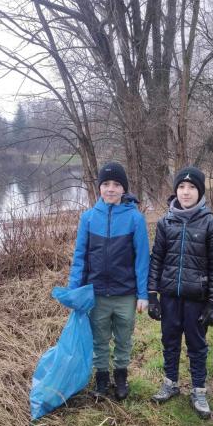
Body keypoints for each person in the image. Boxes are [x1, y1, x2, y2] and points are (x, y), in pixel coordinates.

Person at [147, 166, 213, 419]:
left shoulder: (212, 224)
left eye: (191, 187)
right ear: (176, 191)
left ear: (200, 191)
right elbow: (156, 259)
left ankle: (199, 390)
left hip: (197, 299)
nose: (186, 192)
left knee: (197, 345)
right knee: (169, 341)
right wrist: (152, 295)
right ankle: (170, 383)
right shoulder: (165, 222)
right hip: (170, 296)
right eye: (181, 187)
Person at [68, 162, 150, 400]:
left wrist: (143, 294)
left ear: (123, 189)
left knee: (124, 339)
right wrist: (74, 292)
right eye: (106, 184)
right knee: (100, 339)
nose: (111, 189)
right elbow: (80, 258)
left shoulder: (135, 219)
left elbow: (143, 260)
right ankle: (102, 378)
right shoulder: (88, 219)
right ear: (99, 188)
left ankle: (121, 377)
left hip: (126, 294)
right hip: (97, 295)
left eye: (116, 184)